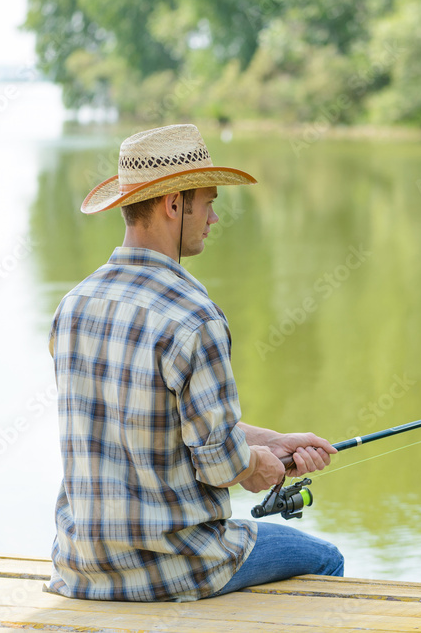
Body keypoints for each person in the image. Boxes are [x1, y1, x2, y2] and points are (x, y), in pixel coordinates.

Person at [44, 124, 343, 602]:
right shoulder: (193, 316)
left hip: (81, 566)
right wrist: (260, 468)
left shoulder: (73, 306)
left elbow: (168, 425)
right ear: (173, 203)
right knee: (327, 558)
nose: (214, 217)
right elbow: (220, 462)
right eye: (208, 202)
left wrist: (275, 442)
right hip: (177, 567)